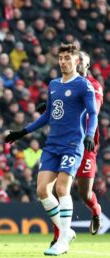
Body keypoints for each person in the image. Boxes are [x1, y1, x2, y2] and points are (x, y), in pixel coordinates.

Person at [4, 44, 98, 256]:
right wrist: (23, 132)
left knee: (62, 189)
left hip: (72, 144)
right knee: (42, 191)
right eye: (61, 58)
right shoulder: (54, 84)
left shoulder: (84, 86)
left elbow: (93, 113)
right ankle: (67, 231)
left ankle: (63, 239)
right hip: (52, 144)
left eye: (68, 58)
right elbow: (48, 116)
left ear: (76, 61)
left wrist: (90, 134)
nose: (63, 61)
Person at [47, 51, 104, 244]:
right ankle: (59, 236)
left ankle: (96, 210)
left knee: (83, 193)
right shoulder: (63, 84)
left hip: (86, 144)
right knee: (57, 189)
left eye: (81, 63)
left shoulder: (93, 86)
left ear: (86, 66)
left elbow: (92, 110)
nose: (77, 65)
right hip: (66, 143)